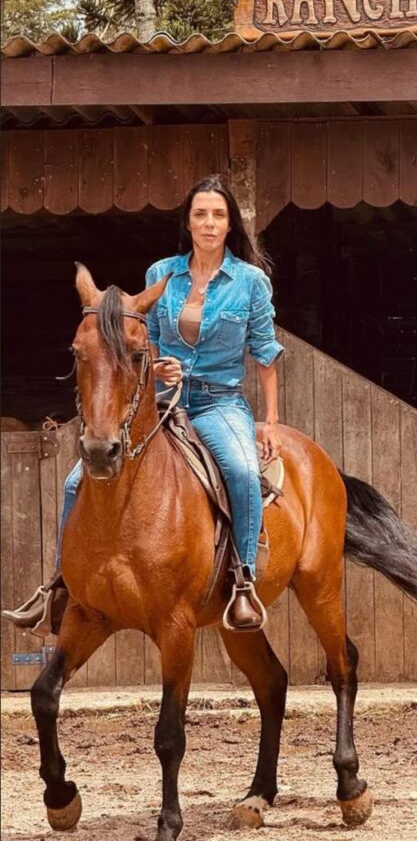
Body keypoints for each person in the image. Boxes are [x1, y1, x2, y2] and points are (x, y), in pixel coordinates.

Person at [2, 175, 284, 634]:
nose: (209, 223)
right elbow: (138, 347)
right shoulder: (160, 274)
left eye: (218, 215)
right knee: (76, 481)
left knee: (240, 469)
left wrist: (269, 421)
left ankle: (242, 582)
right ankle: (59, 584)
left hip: (218, 403)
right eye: (200, 215)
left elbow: (266, 352)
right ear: (188, 223)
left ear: (230, 224)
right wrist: (156, 371)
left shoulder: (251, 282)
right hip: (162, 401)